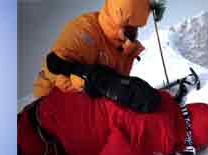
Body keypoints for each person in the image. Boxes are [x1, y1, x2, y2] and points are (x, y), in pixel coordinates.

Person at [18, 89, 208, 155]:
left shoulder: (159, 100)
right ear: (190, 144)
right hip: (37, 145)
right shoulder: (155, 142)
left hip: (38, 113)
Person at [33, 0, 161, 114]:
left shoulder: (121, 46)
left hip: (89, 105)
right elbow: (57, 72)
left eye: (136, 29)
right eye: (130, 29)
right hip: (49, 102)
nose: (133, 35)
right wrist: (98, 82)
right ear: (118, 21)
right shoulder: (84, 31)